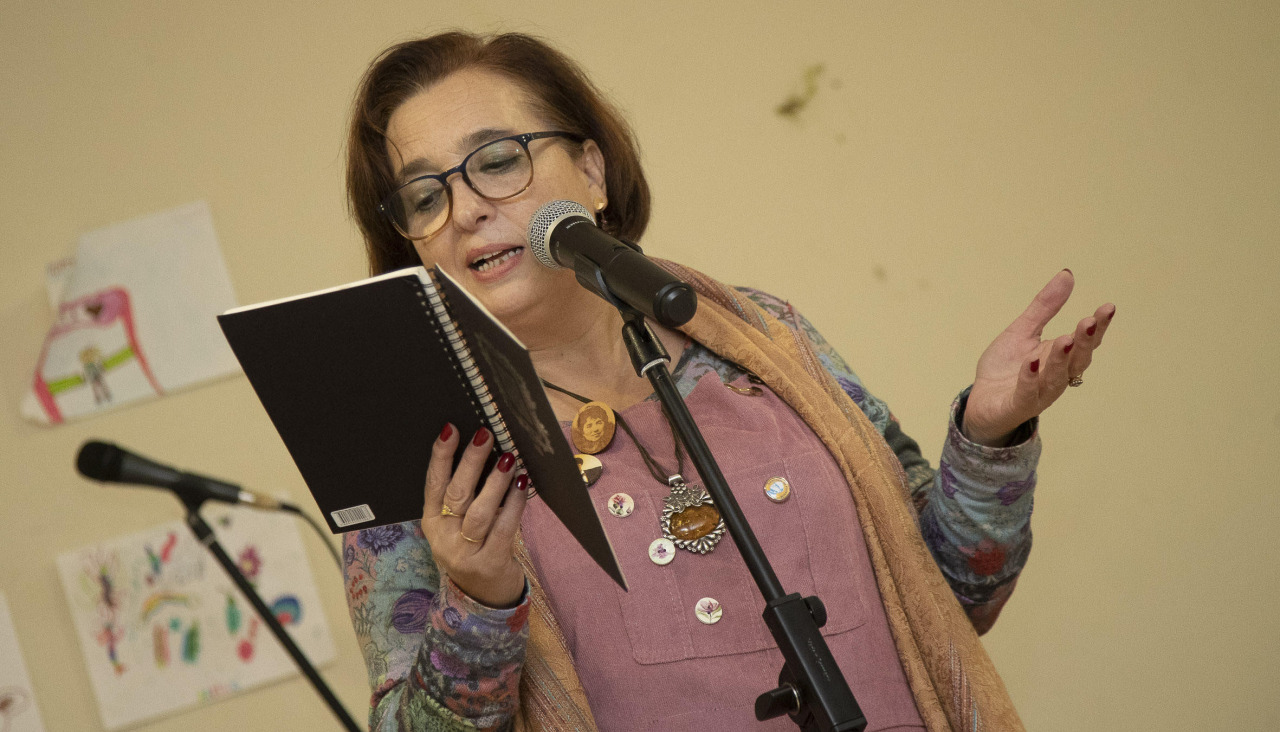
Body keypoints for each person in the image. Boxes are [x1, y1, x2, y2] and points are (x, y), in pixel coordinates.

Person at [341, 31, 1114, 732]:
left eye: (497, 161)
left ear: (592, 172)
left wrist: (989, 437)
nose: (466, 209)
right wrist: (478, 601)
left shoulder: (763, 336)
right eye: (425, 196)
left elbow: (952, 597)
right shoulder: (423, 449)